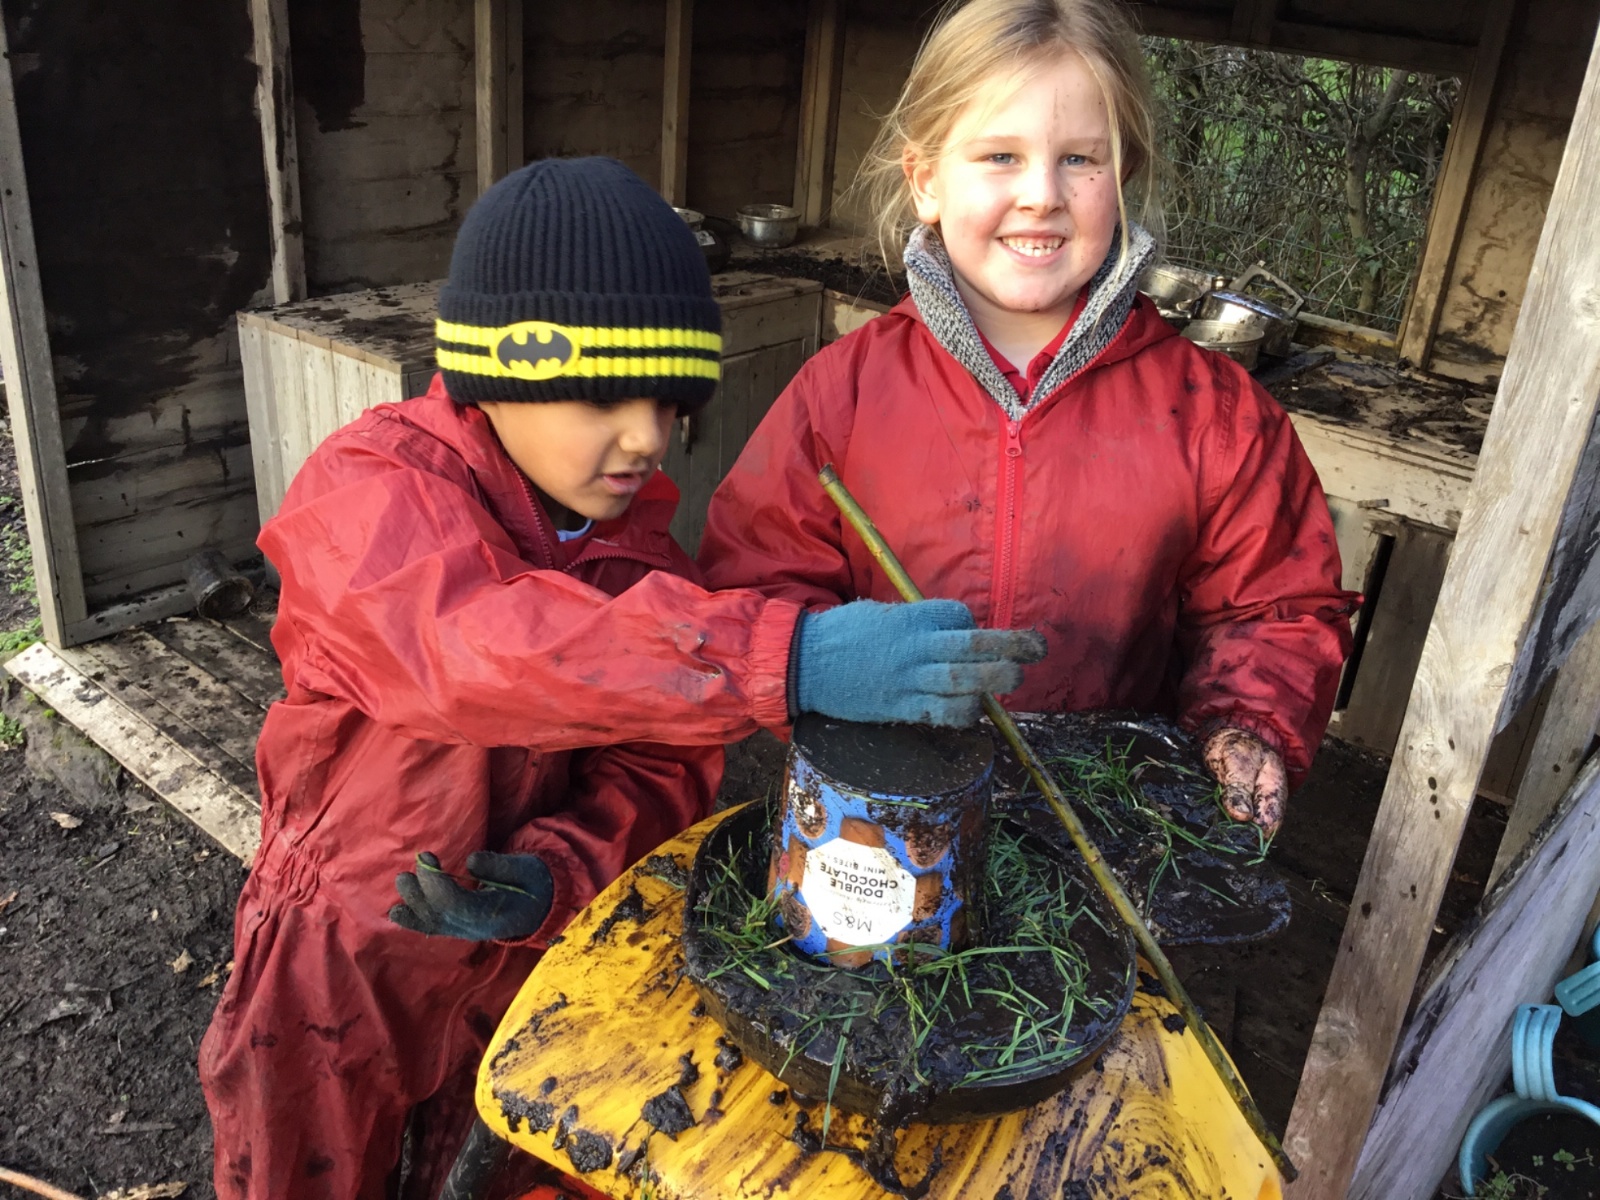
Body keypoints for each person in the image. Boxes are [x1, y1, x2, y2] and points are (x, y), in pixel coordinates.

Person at [198, 157, 1045, 1200]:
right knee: (302, 1168)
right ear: (498, 370)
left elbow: (659, 765)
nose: (646, 438)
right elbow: (474, 651)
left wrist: (560, 869)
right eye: (604, 395)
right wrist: (787, 657)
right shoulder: (371, 487)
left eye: (672, 402)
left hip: (515, 943)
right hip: (343, 948)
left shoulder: (642, 561)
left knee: (507, 1158)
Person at [698, 0, 1359, 833]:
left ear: (1122, 179)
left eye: (1080, 158)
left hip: (1108, 823)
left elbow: (1273, 610)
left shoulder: (1217, 417)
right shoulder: (843, 394)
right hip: (882, 812)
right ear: (926, 180)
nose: (1042, 195)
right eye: (1000, 156)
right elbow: (757, 580)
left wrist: (1244, 722)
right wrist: (829, 673)